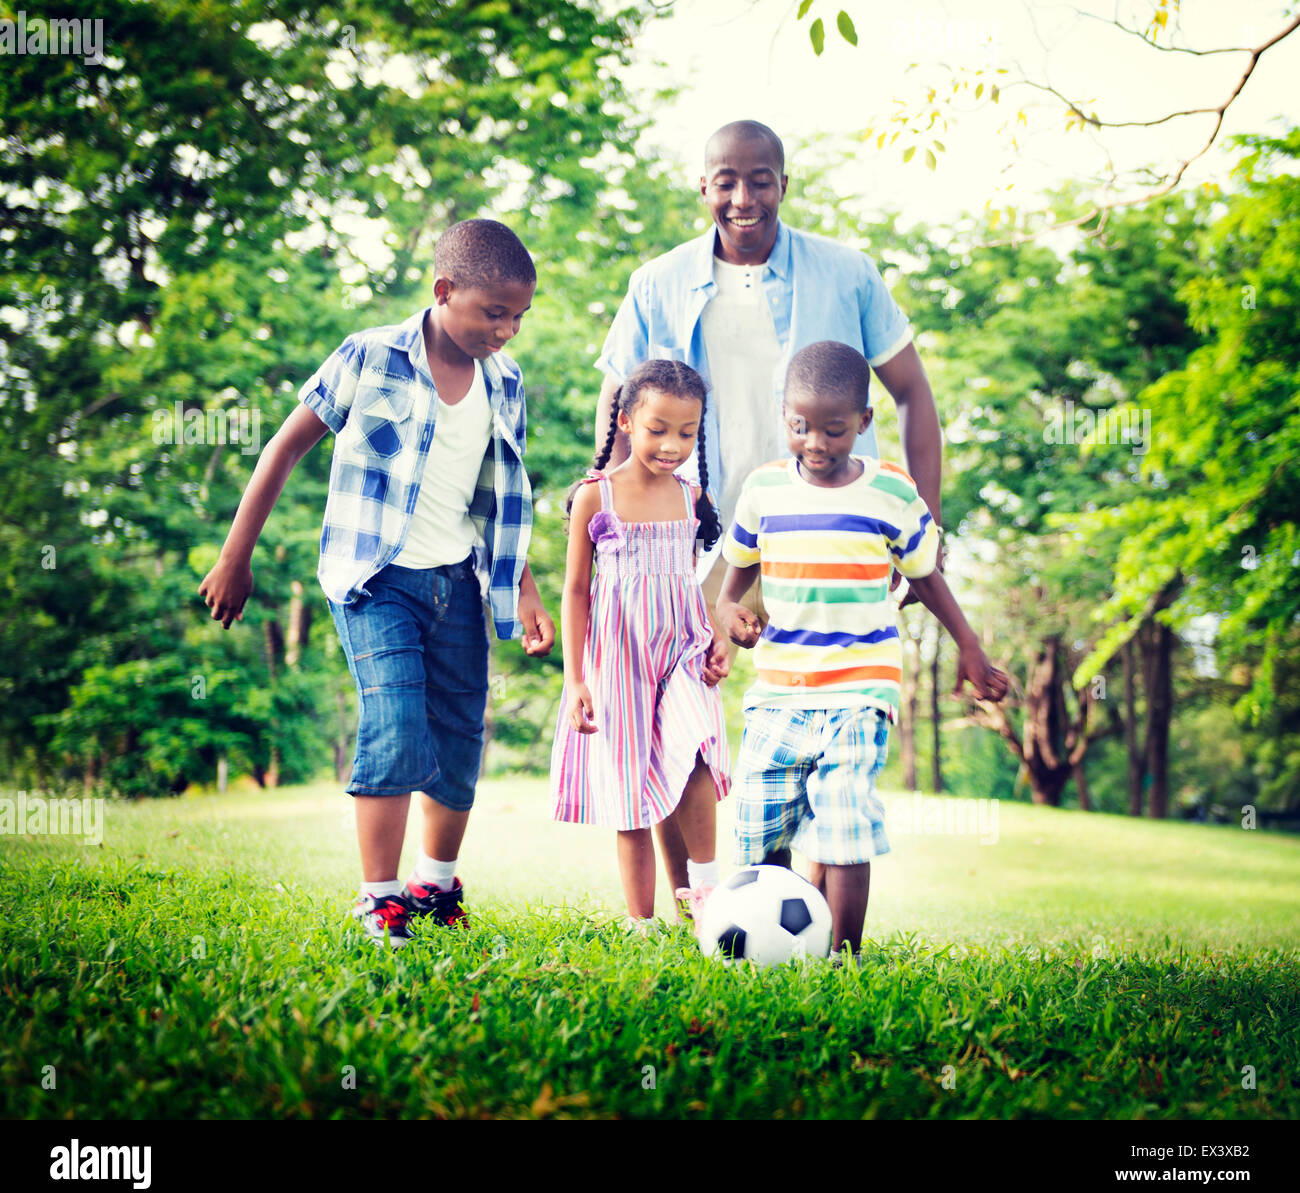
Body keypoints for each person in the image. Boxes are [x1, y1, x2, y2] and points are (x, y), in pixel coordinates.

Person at [594, 118, 946, 891]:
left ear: (784, 183)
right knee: (674, 716)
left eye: (760, 179)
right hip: (694, 527)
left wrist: (922, 520)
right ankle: (697, 900)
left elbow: (914, 392)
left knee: (821, 719)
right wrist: (611, 494)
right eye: (726, 180)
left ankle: (809, 905)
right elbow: (617, 395)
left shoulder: (846, 272)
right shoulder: (657, 281)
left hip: (822, 520)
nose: (743, 197)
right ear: (704, 186)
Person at [198, 219, 555, 949]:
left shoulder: (506, 380)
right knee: (395, 727)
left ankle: (436, 884)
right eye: (494, 312)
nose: (508, 329)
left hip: (458, 580)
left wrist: (522, 585)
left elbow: (503, 493)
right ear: (443, 291)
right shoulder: (370, 355)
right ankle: (380, 898)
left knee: (458, 741)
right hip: (373, 577)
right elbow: (284, 448)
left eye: (520, 315)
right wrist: (237, 555)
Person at [715, 342, 1007, 959]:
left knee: (843, 820)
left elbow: (926, 577)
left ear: (865, 423)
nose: (815, 442)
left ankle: (844, 958)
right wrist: (726, 612)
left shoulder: (893, 494)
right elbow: (736, 570)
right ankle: (768, 943)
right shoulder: (764, 489)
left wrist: (971, 647)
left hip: (859, 689)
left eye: (834, 429)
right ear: (784, 417)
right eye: (800, 427)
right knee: (756, 824)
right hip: (778, 692)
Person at [551, 360, 731, 932]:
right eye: (658, 429)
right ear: (626, 421)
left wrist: (717, 638)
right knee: (627, 782)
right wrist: (576, 678)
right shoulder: (595, 497)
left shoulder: (690, 497)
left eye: (687, 432)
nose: (673, 445)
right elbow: (576, 590)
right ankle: (641, 920)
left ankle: (704, 891)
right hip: (617, 658)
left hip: (681, 649)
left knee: (696, 750)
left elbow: (688, 582)